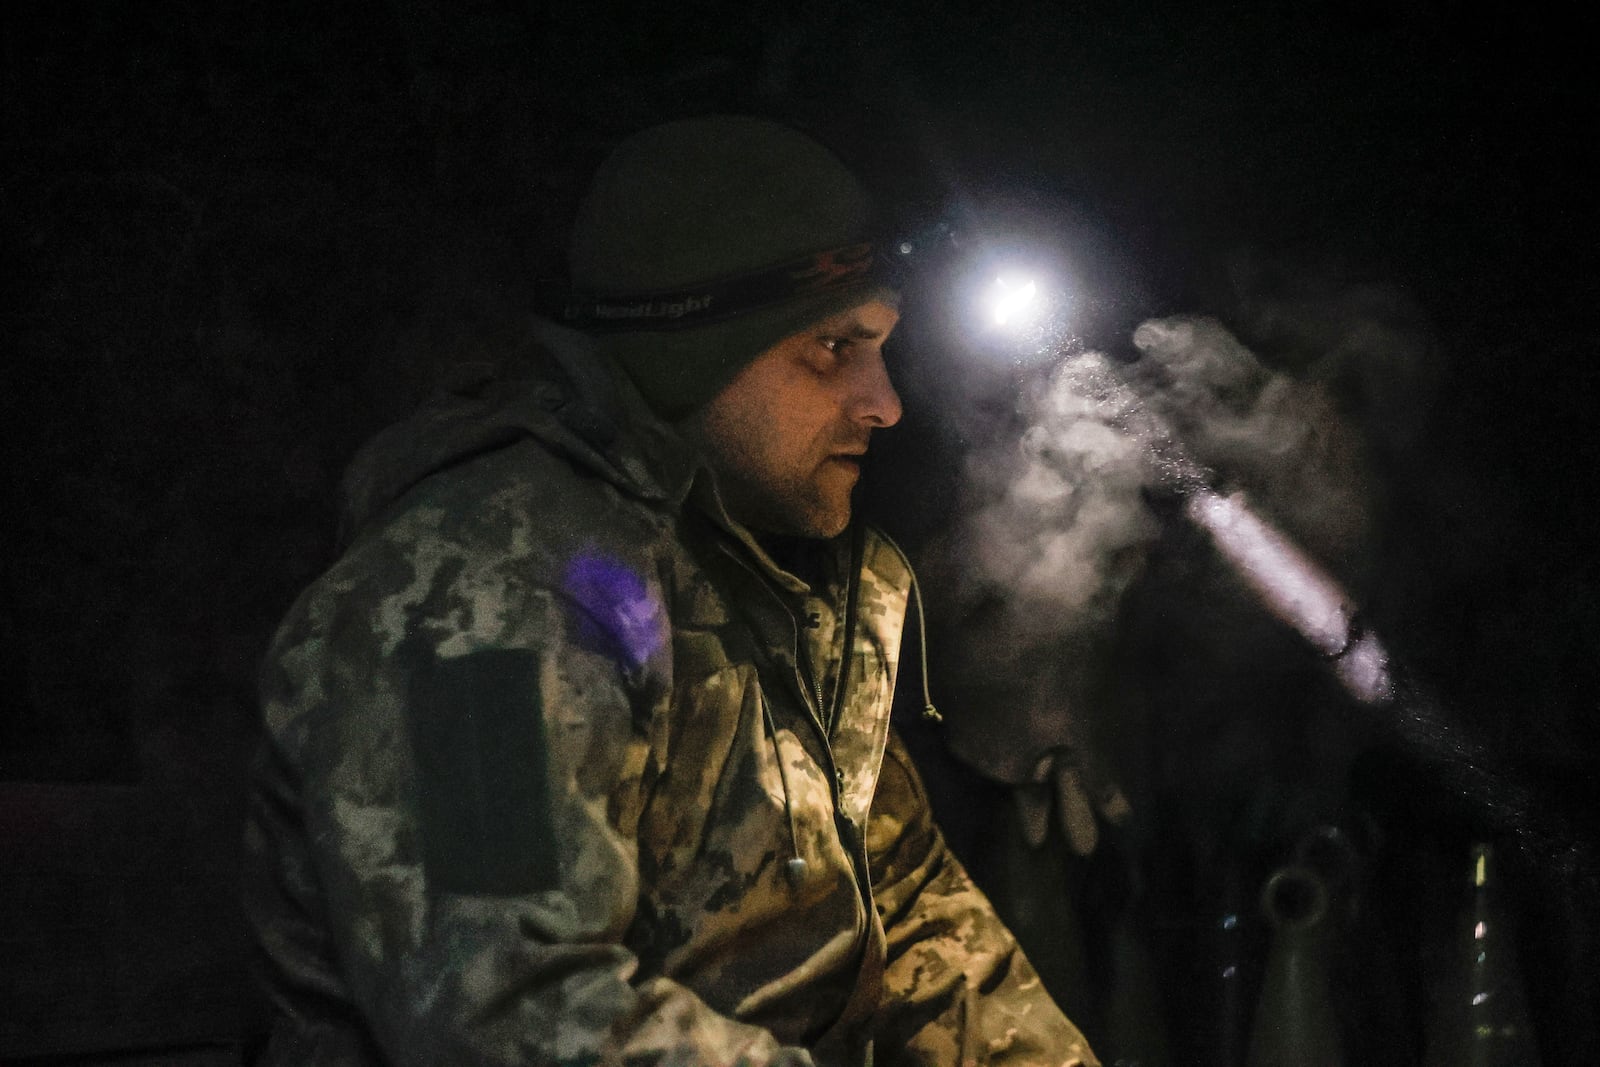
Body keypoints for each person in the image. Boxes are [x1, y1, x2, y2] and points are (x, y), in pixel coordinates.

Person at [243, 114, 1099, 1066]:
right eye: (832, 348)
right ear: (697, 350)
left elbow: (908, 917)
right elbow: (508, 1014)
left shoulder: (766, 573)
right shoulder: (481, 592)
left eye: (883, 346)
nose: (884, 402)